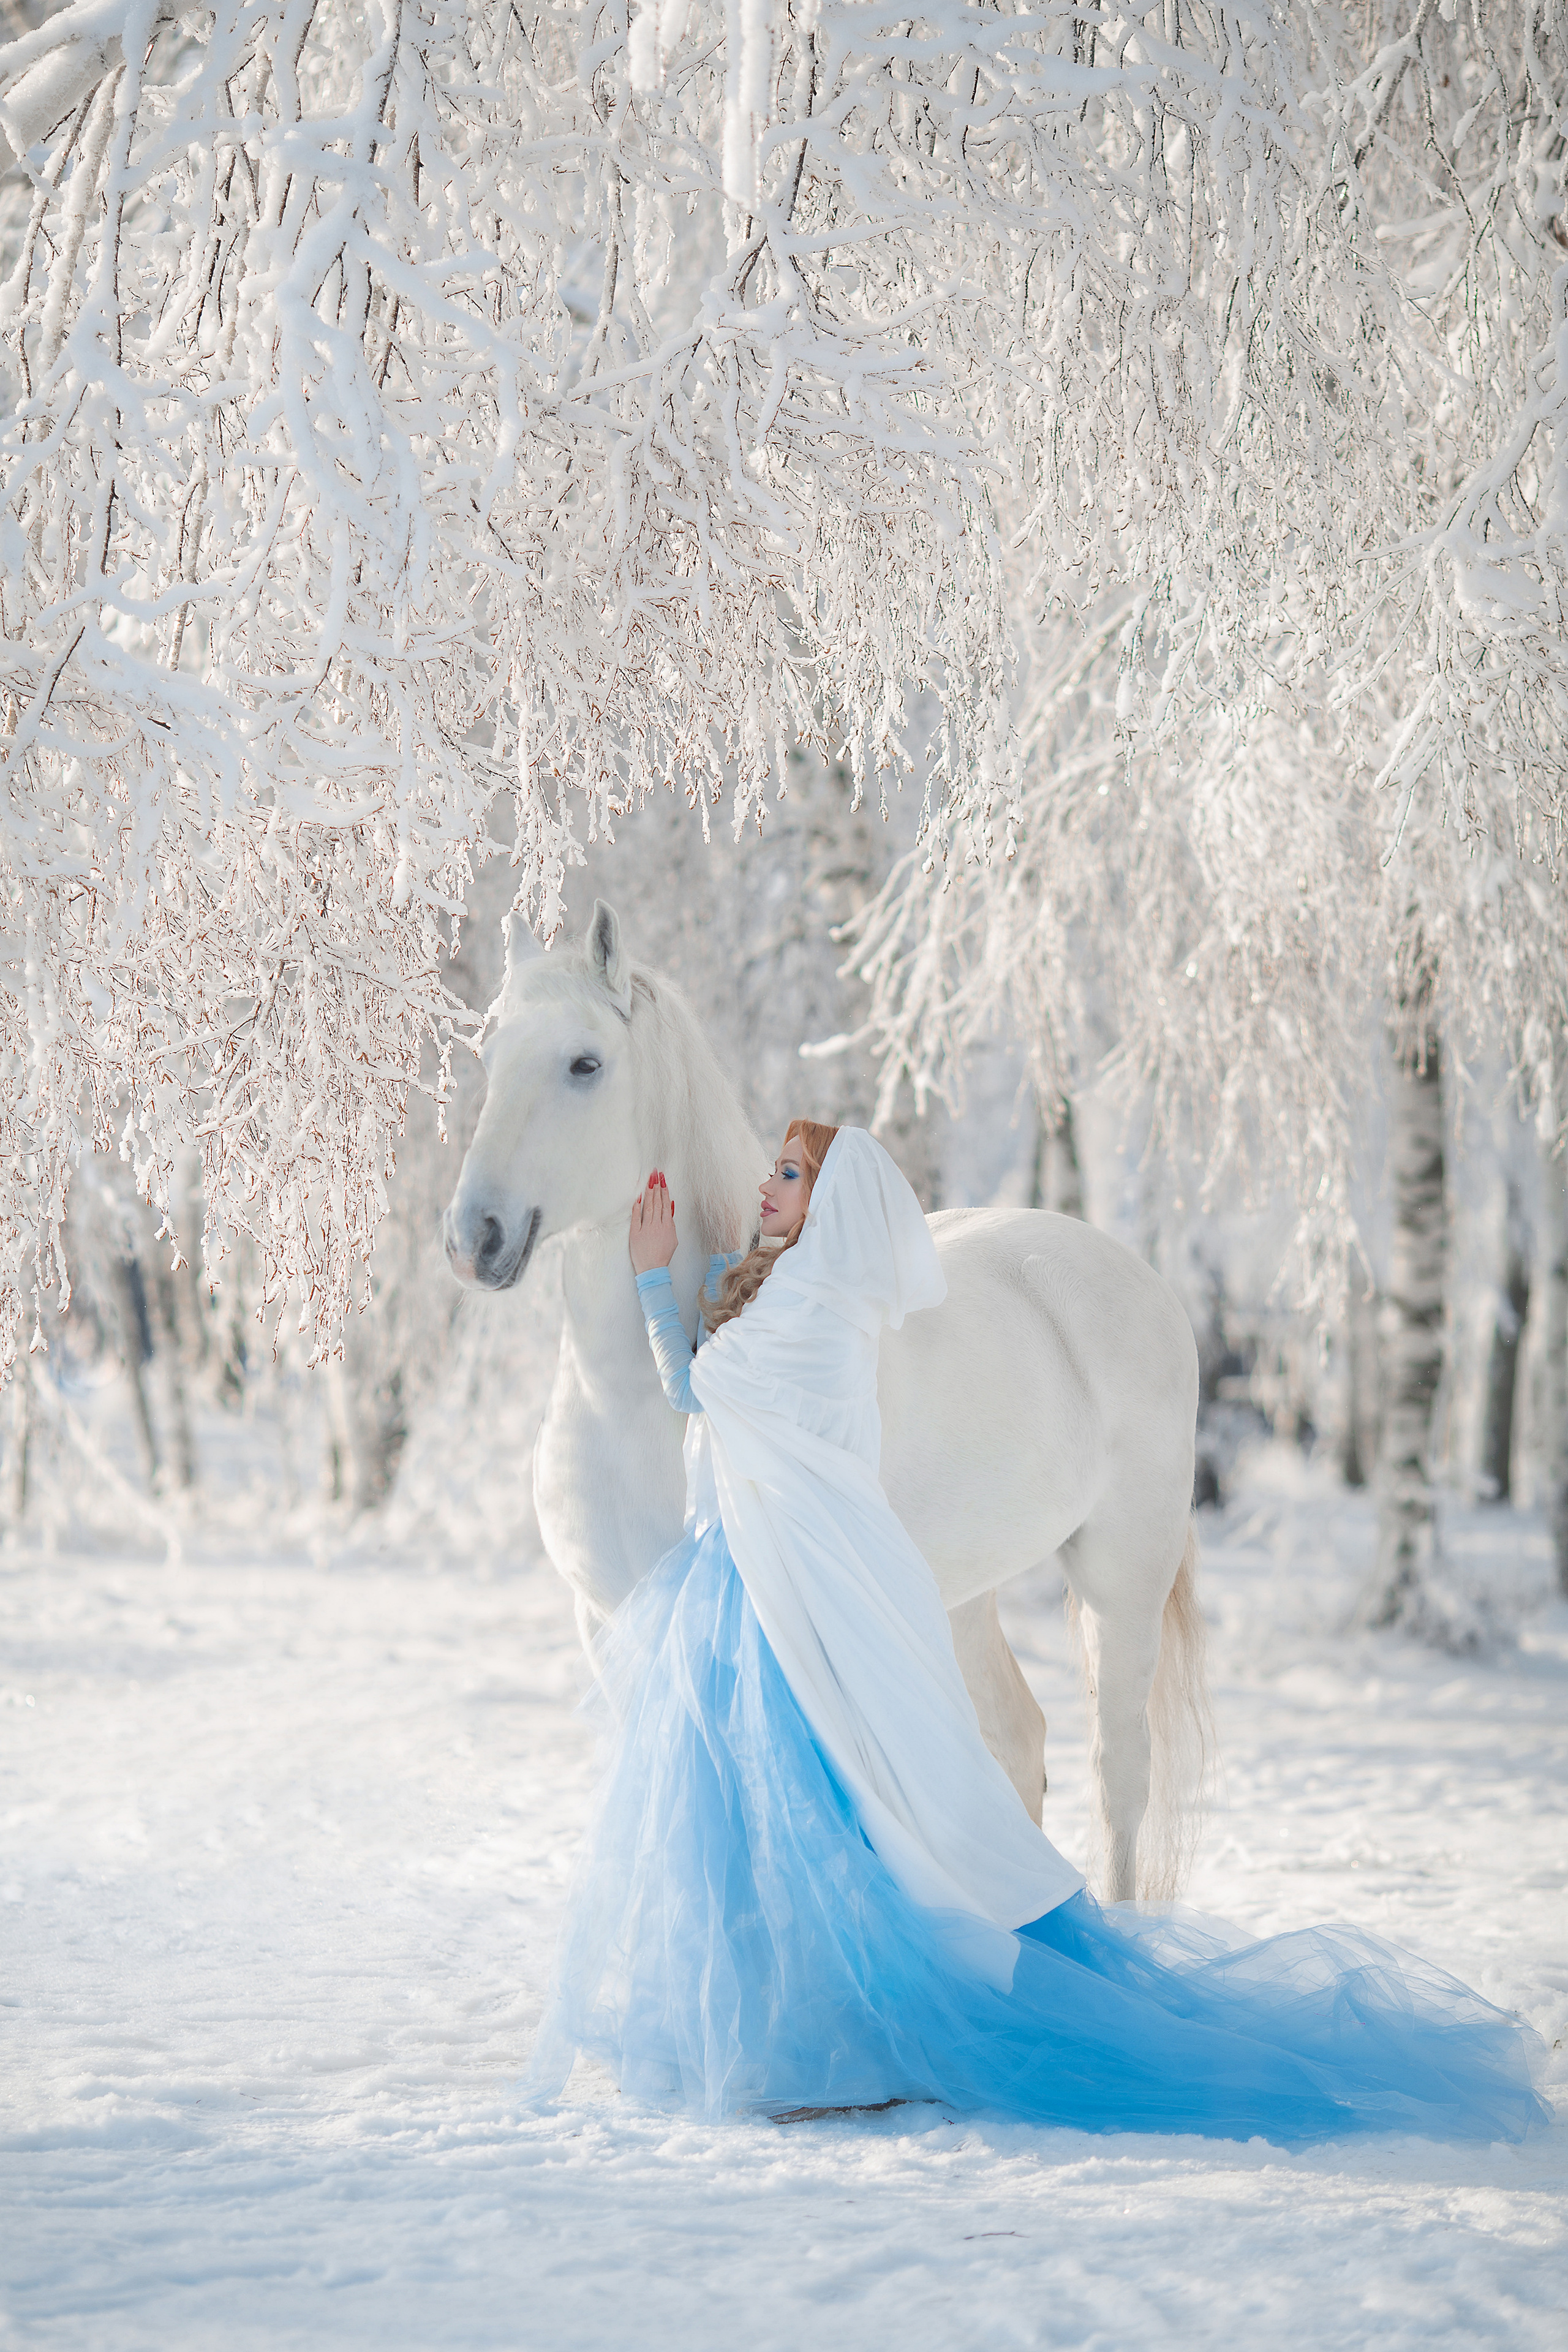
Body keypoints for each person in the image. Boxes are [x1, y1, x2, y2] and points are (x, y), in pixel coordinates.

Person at [527, 1123, 1547, 2142]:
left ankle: (835, 2034)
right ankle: (811, 2030)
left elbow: (693, 1391)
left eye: (790, 1175)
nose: (768, 1184)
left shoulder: (817, 1308)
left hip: (792, 1587)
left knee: (820, 1807)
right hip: (786, 1574)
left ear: (831, 1203)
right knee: (814, 1809)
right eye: (778, 1170)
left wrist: (653, 1280)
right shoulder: (825, 1299)